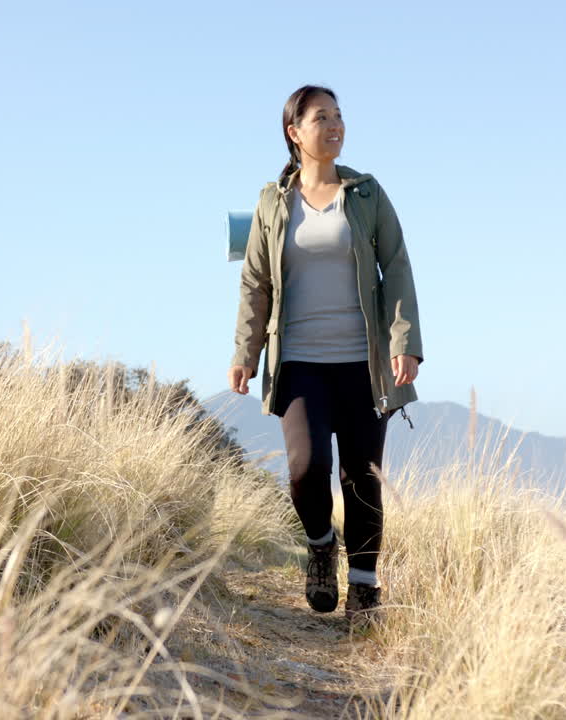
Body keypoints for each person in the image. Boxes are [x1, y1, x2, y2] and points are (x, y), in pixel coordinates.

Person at [228, 85, 424, 632]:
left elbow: (398, 266)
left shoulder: (366, 194)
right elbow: (256, 282)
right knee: (305, 470)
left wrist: (404, 340)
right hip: (301, 363)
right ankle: (320, 544)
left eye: (339, 116)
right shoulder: (274, 202)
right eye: (322, 118)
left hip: (363, 363)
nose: (335, 125)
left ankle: (364, 589)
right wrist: (245, 351)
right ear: (295, 132)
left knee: (361, 477)